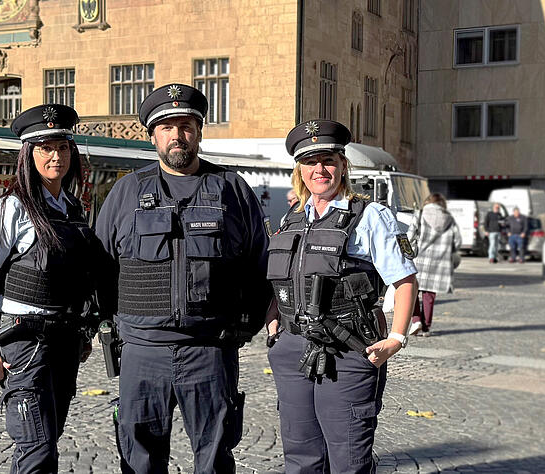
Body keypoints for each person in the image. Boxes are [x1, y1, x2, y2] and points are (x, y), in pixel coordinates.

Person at [94, 83, 272, 473]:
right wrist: (111, 326)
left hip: (210, 351)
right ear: (152, 135)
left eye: (187, 126)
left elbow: (260, 265)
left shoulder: (232, 190)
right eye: (167, 127)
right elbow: (100, 267)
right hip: (142, 352)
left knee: (213, 459)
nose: (178, 136)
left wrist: (245, 326)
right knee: (139, 459)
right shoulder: (126, 192)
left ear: (200, 131)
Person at [265, 119, 417, 474]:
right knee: (300, 455)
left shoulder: (370, 216)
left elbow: (405, 280)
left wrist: (396, 338)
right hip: (292, 349)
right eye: (310, 162)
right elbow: (283, 276)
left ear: (343, 165)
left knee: (347, 458)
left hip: (347, 350)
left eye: (328, 160)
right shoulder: (291, 219)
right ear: (299, 170)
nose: (320, 169)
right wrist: (273, 315)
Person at [0, 104, 100, 473]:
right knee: (37, 447)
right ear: (29, 154)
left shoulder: (72, 208)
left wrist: (83, 333)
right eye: (45, 148)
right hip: (26, 345)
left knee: (46, 440)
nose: (55, 156)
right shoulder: (12, 208)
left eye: (62, 147)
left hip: (64, 343)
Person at [407, 193, 462, 337]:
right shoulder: (449, 219)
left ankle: (416, 320)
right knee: (429, 297)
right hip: (439, 264)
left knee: (412, 292)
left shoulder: (419, 215)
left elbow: (409, 236)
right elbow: (457, 242)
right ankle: (426, 328)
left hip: (420, 260)